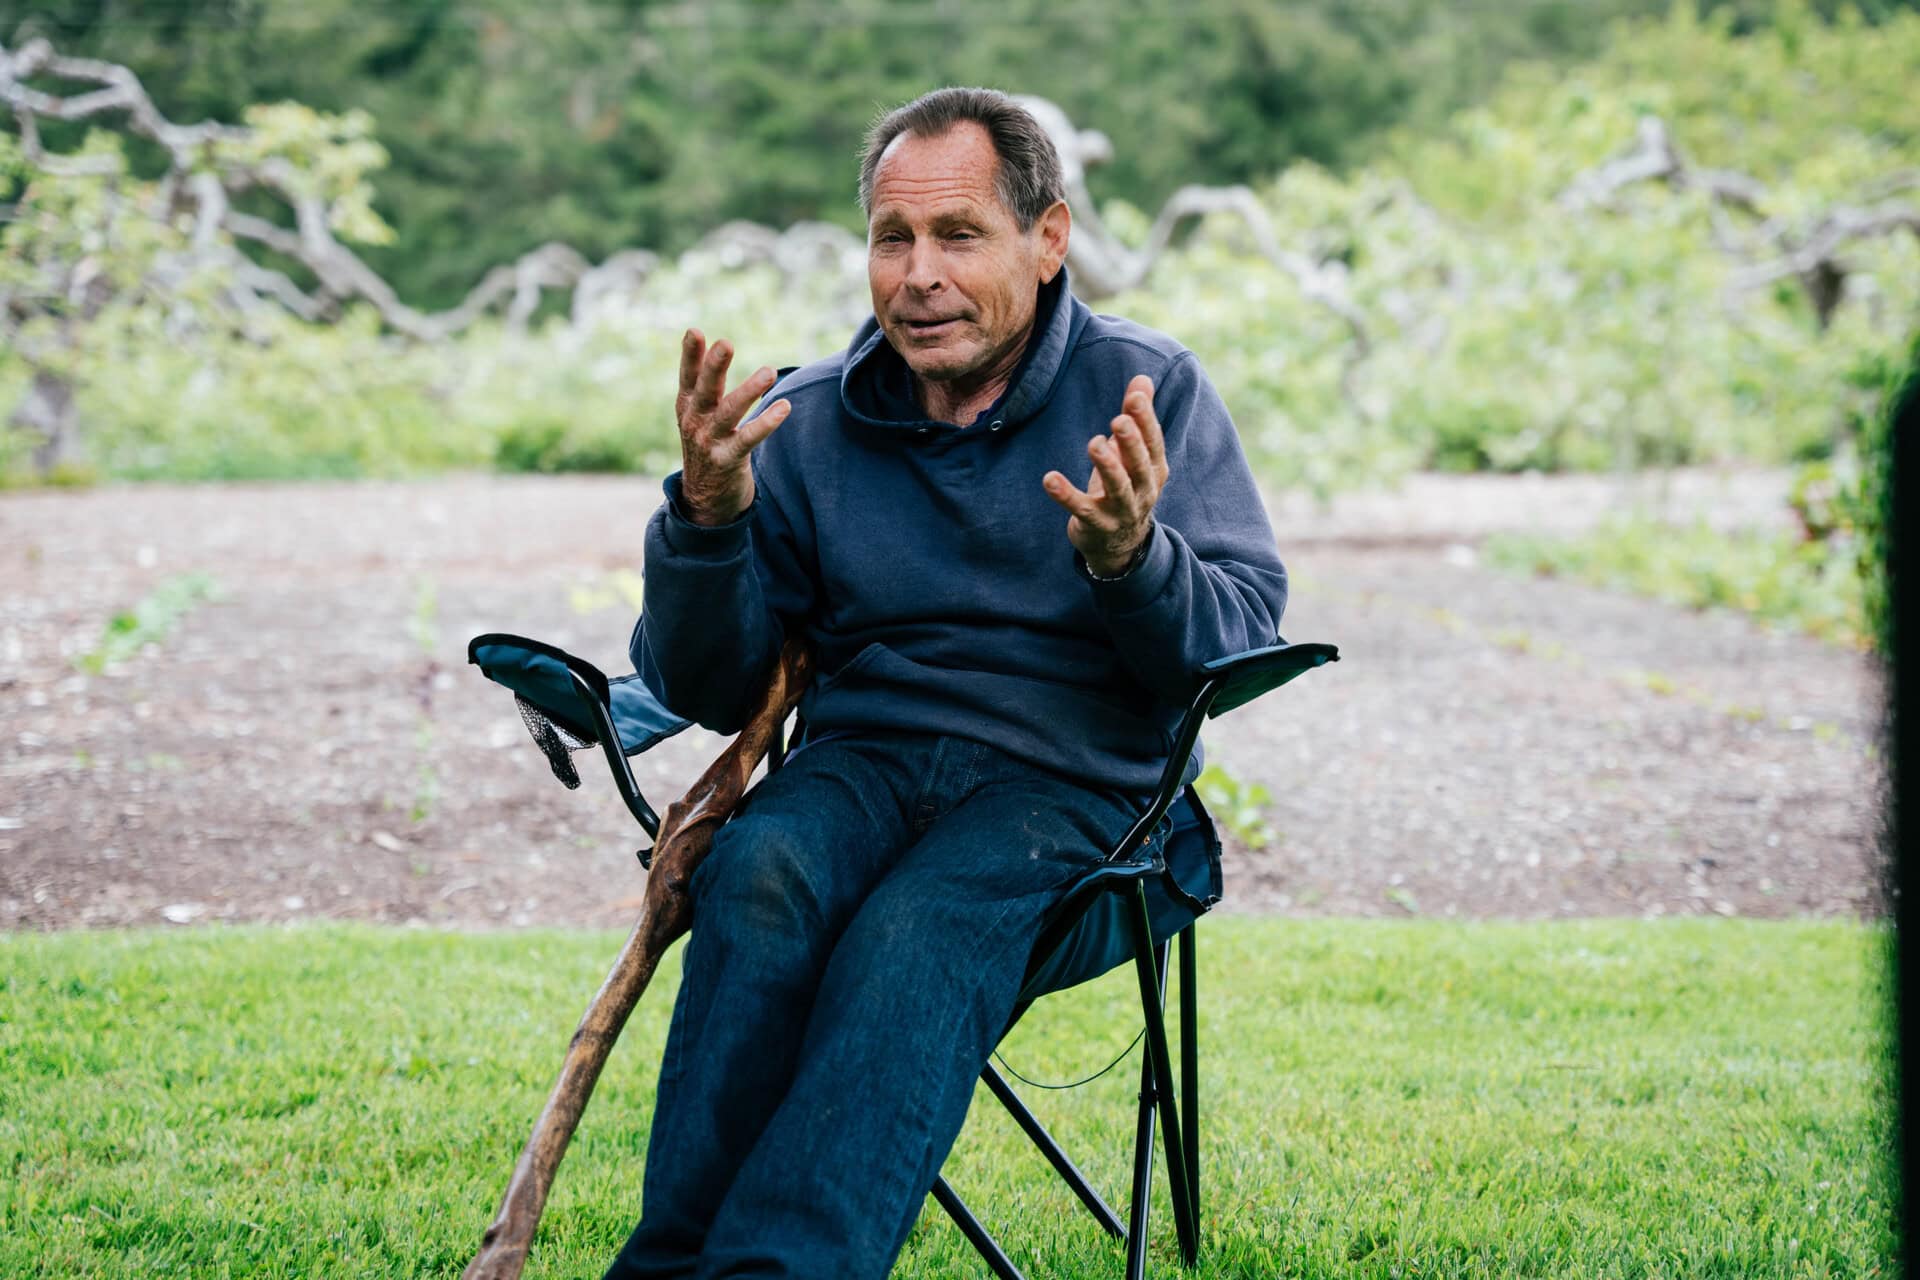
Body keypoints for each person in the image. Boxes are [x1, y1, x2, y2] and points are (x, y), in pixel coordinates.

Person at [606, 87, 1287, 1280]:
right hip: (863, 764)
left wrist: (1134, 561)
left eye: (959, 234)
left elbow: (1237, 643)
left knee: (914, 930)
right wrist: (708, 523)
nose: (918, 274)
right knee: (759, 869)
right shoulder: (808, 420)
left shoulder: (1148, 388)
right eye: (893, 237)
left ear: (1049, 237)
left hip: (1079, 788)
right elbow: (710, 683)